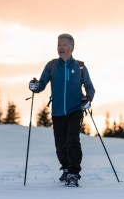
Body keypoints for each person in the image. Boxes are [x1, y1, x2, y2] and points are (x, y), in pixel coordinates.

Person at [28, 33, 96, 187]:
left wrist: (88, 99)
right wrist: (35, 86)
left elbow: (90, 87)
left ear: (72, 48)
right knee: (60, 144)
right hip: (58, 111)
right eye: (59, 45)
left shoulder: (79, 66)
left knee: (73, 140)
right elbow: (42, 84)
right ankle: (66, 168)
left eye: (64, 45)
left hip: (75, 109)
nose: (61, 48)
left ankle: (73, 173)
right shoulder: (51, 65)